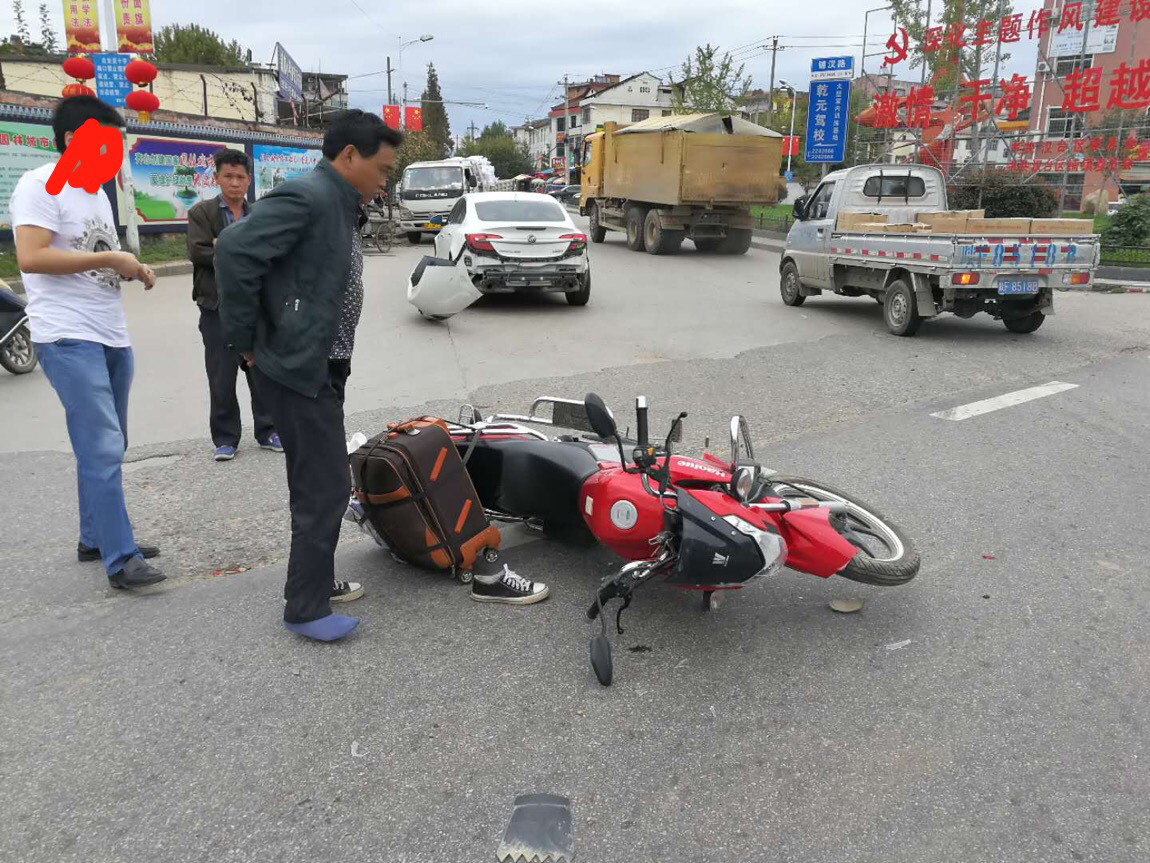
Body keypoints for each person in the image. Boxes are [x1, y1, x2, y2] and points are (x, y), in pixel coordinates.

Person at [10, 95, 163, 590]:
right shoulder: (39, 184)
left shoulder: (95, 192)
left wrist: (130, 265)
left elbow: (95, 253)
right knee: (102, 446)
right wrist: (112, 260)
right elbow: (30, 258)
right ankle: (122, 558)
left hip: (109, 333)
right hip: (67, 335)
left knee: (105, 445)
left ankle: (94, 537)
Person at [186, 148, 280, 461]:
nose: (235, 182)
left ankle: (268, 430)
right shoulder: (202, 213)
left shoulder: (258, 215)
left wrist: (223, 245)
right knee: (221, 375)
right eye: (228, 176)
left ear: (249, 180)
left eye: (240, 177)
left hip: (254, 306)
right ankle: (226, 438)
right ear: (217, 178)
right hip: (215, 307)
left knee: (261, 370)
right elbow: (198, 253)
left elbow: (269, 253)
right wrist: (240, 250)